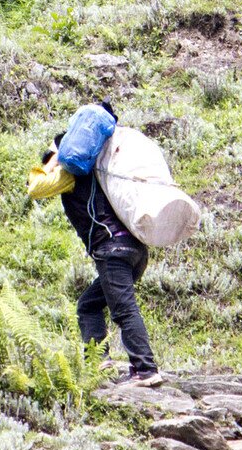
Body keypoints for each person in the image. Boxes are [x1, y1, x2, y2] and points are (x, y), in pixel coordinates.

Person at [31, 124, 161, 384]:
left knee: (124, 310)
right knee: (88, 305)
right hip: (134, 250)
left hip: (112, 250)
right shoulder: (102, 172)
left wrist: (53, 159)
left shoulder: (71, 174)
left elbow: (35, 187)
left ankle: (146, 369)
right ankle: (98, 363)